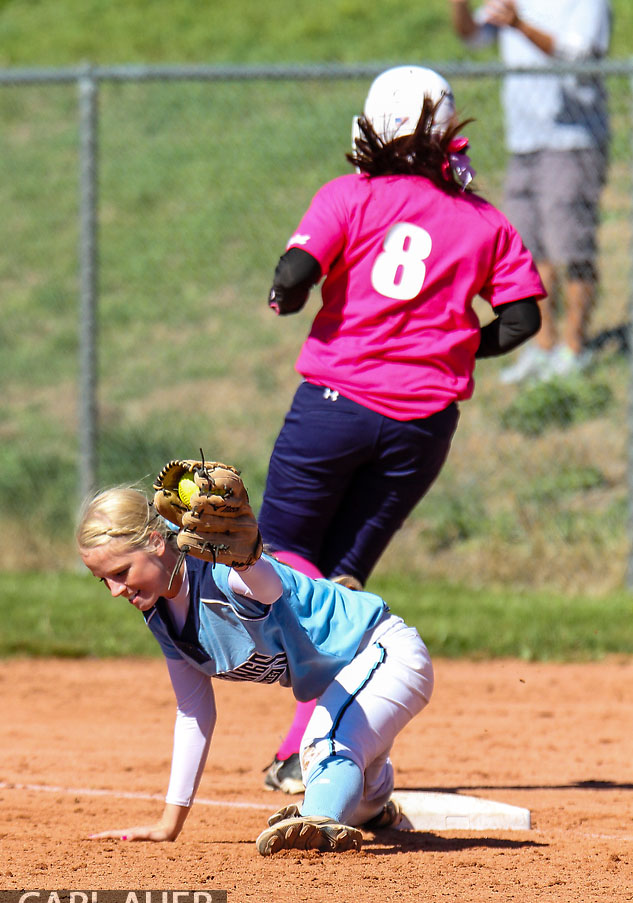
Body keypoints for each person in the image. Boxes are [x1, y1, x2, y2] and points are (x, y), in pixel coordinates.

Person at [257, 64, 545, 791]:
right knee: (345, 581)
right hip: (421, 425)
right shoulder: (483, 220)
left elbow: (295, 272)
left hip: (332, 406)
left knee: (287, 553)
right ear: (447, 133)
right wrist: (452, 344)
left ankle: (300, 736)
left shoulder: (347, 196)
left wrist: (284, 297)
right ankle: (304, 752)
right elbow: (521, 319)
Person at [77, 484, 435, 855]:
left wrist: (246, 560)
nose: (116, 590)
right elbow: (193, 713)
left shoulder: (221, 571)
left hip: (383, 652)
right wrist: (168, 826)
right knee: (354, 796)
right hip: (346, 686)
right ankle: (373, 800)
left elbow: (268, 589)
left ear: (155, 542)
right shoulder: (161, 616)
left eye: (121, 571)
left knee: (322, 748)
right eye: (104, 579)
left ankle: (315, 825)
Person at [449, 0, 612, 383]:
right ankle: (543, 348)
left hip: (573, 139)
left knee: (571, 246)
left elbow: (579, 56)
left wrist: (519, 25)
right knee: (529, 248)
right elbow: (472, 38)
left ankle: (575, 348)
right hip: (523, 141)